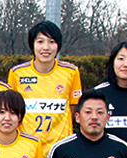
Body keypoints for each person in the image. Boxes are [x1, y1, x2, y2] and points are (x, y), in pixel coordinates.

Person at [8, 21, 82, 150]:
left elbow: (74, 106)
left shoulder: (71, 72)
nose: (46, 47)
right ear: (32, 45)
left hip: (60, 147)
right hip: (27, 148)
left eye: (51, 42)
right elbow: (12, 109)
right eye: (40, 42)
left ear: (58, 45)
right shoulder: (17, 73)